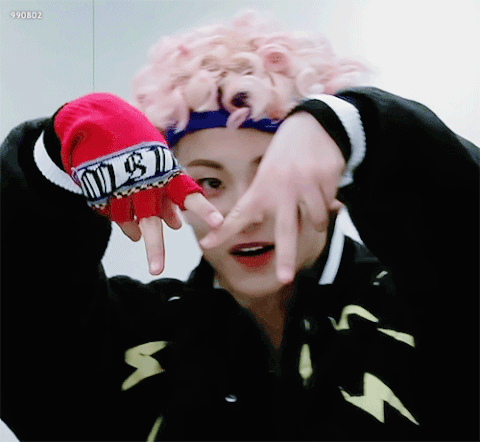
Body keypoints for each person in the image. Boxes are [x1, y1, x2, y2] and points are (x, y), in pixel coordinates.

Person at [1, 9, 478, 442]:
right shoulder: (135, 334)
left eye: (274, 172)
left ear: (335, 174)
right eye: (208, 182)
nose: (246, 211)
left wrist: (357, 125)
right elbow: (26, 332)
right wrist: (50, 164)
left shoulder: (421, 310)